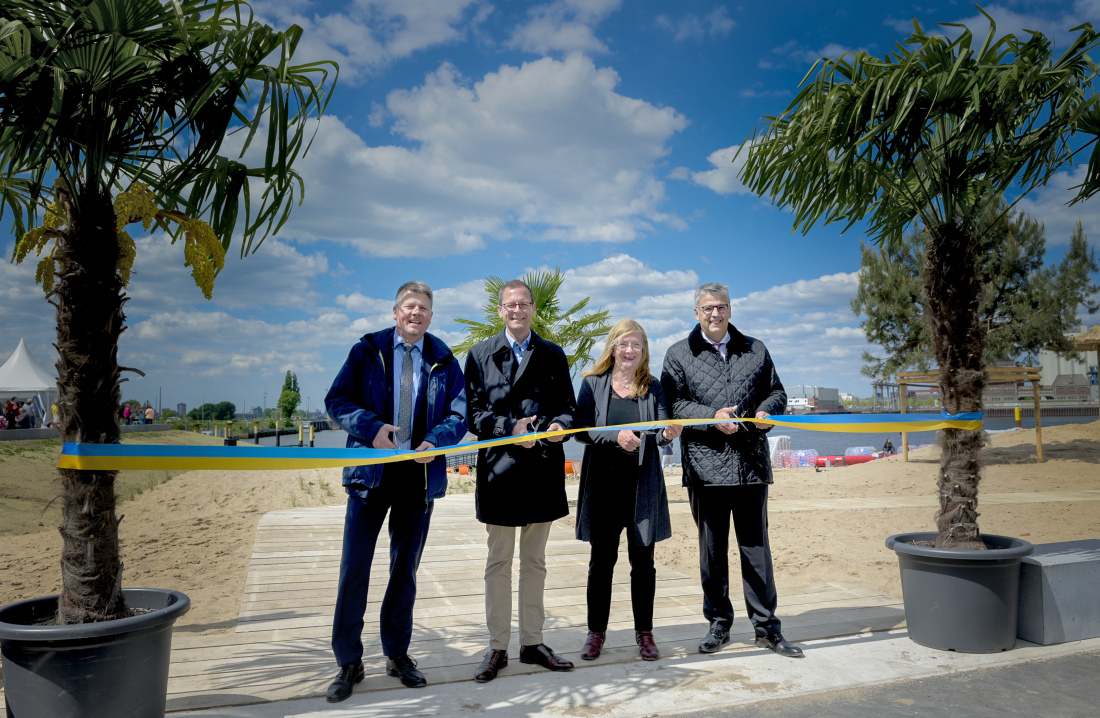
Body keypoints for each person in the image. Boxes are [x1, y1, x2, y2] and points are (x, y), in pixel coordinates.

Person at [323, 281, 468, 703]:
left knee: (404, 572)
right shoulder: (366, 351)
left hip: (418, 479)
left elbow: (459, 414)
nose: (416, 314)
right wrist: (372, 429)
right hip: (371, 476)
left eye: (423, 308)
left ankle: (397, 654)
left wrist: (435, 442)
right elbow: (337, 400)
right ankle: (349, 661)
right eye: (409, 307)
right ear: (395, 312)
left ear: (430, 316)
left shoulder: (444, 359)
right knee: (355, 570)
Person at [661, 282, 803, 659]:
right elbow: (672, 403)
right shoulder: (678, 354)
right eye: (707, 308)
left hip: (751, 465)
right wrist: (711, 418)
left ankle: (767, 628)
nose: (715, 313)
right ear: (696, 313)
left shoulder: (756, 349)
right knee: (712, 552)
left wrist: (764, 414)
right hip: (704, 469)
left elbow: (777, 393)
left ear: (730, 310)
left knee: (756, 550)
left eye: (721, 306)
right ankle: (718, 625)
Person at [464, 279, 577, 683]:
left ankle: (532, 643)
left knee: (535, 562)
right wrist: (510, 427)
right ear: (500, 310)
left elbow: (568, 405)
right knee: (498, 562)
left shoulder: (552, 354)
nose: (517, 310)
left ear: (533, 309)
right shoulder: (479, 355)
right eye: (509, 305)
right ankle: (497, 647)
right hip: (499, 474)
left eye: (523, 304)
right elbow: (472, 416)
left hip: (543, 472)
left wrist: (561, 423)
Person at [574, 319, 682, 662]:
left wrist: (668, 434)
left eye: (636, 345)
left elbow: (662, 428)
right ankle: (595, 634)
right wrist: (614, 436)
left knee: (644, 565)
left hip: (642, 489)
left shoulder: (653, 386)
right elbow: (581, 431)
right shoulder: (592, 384)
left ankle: (645, 635)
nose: (630, 350)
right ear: (613, 347)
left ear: (644, 350)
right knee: (601, 563)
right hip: (603, 488)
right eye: (624, 344)